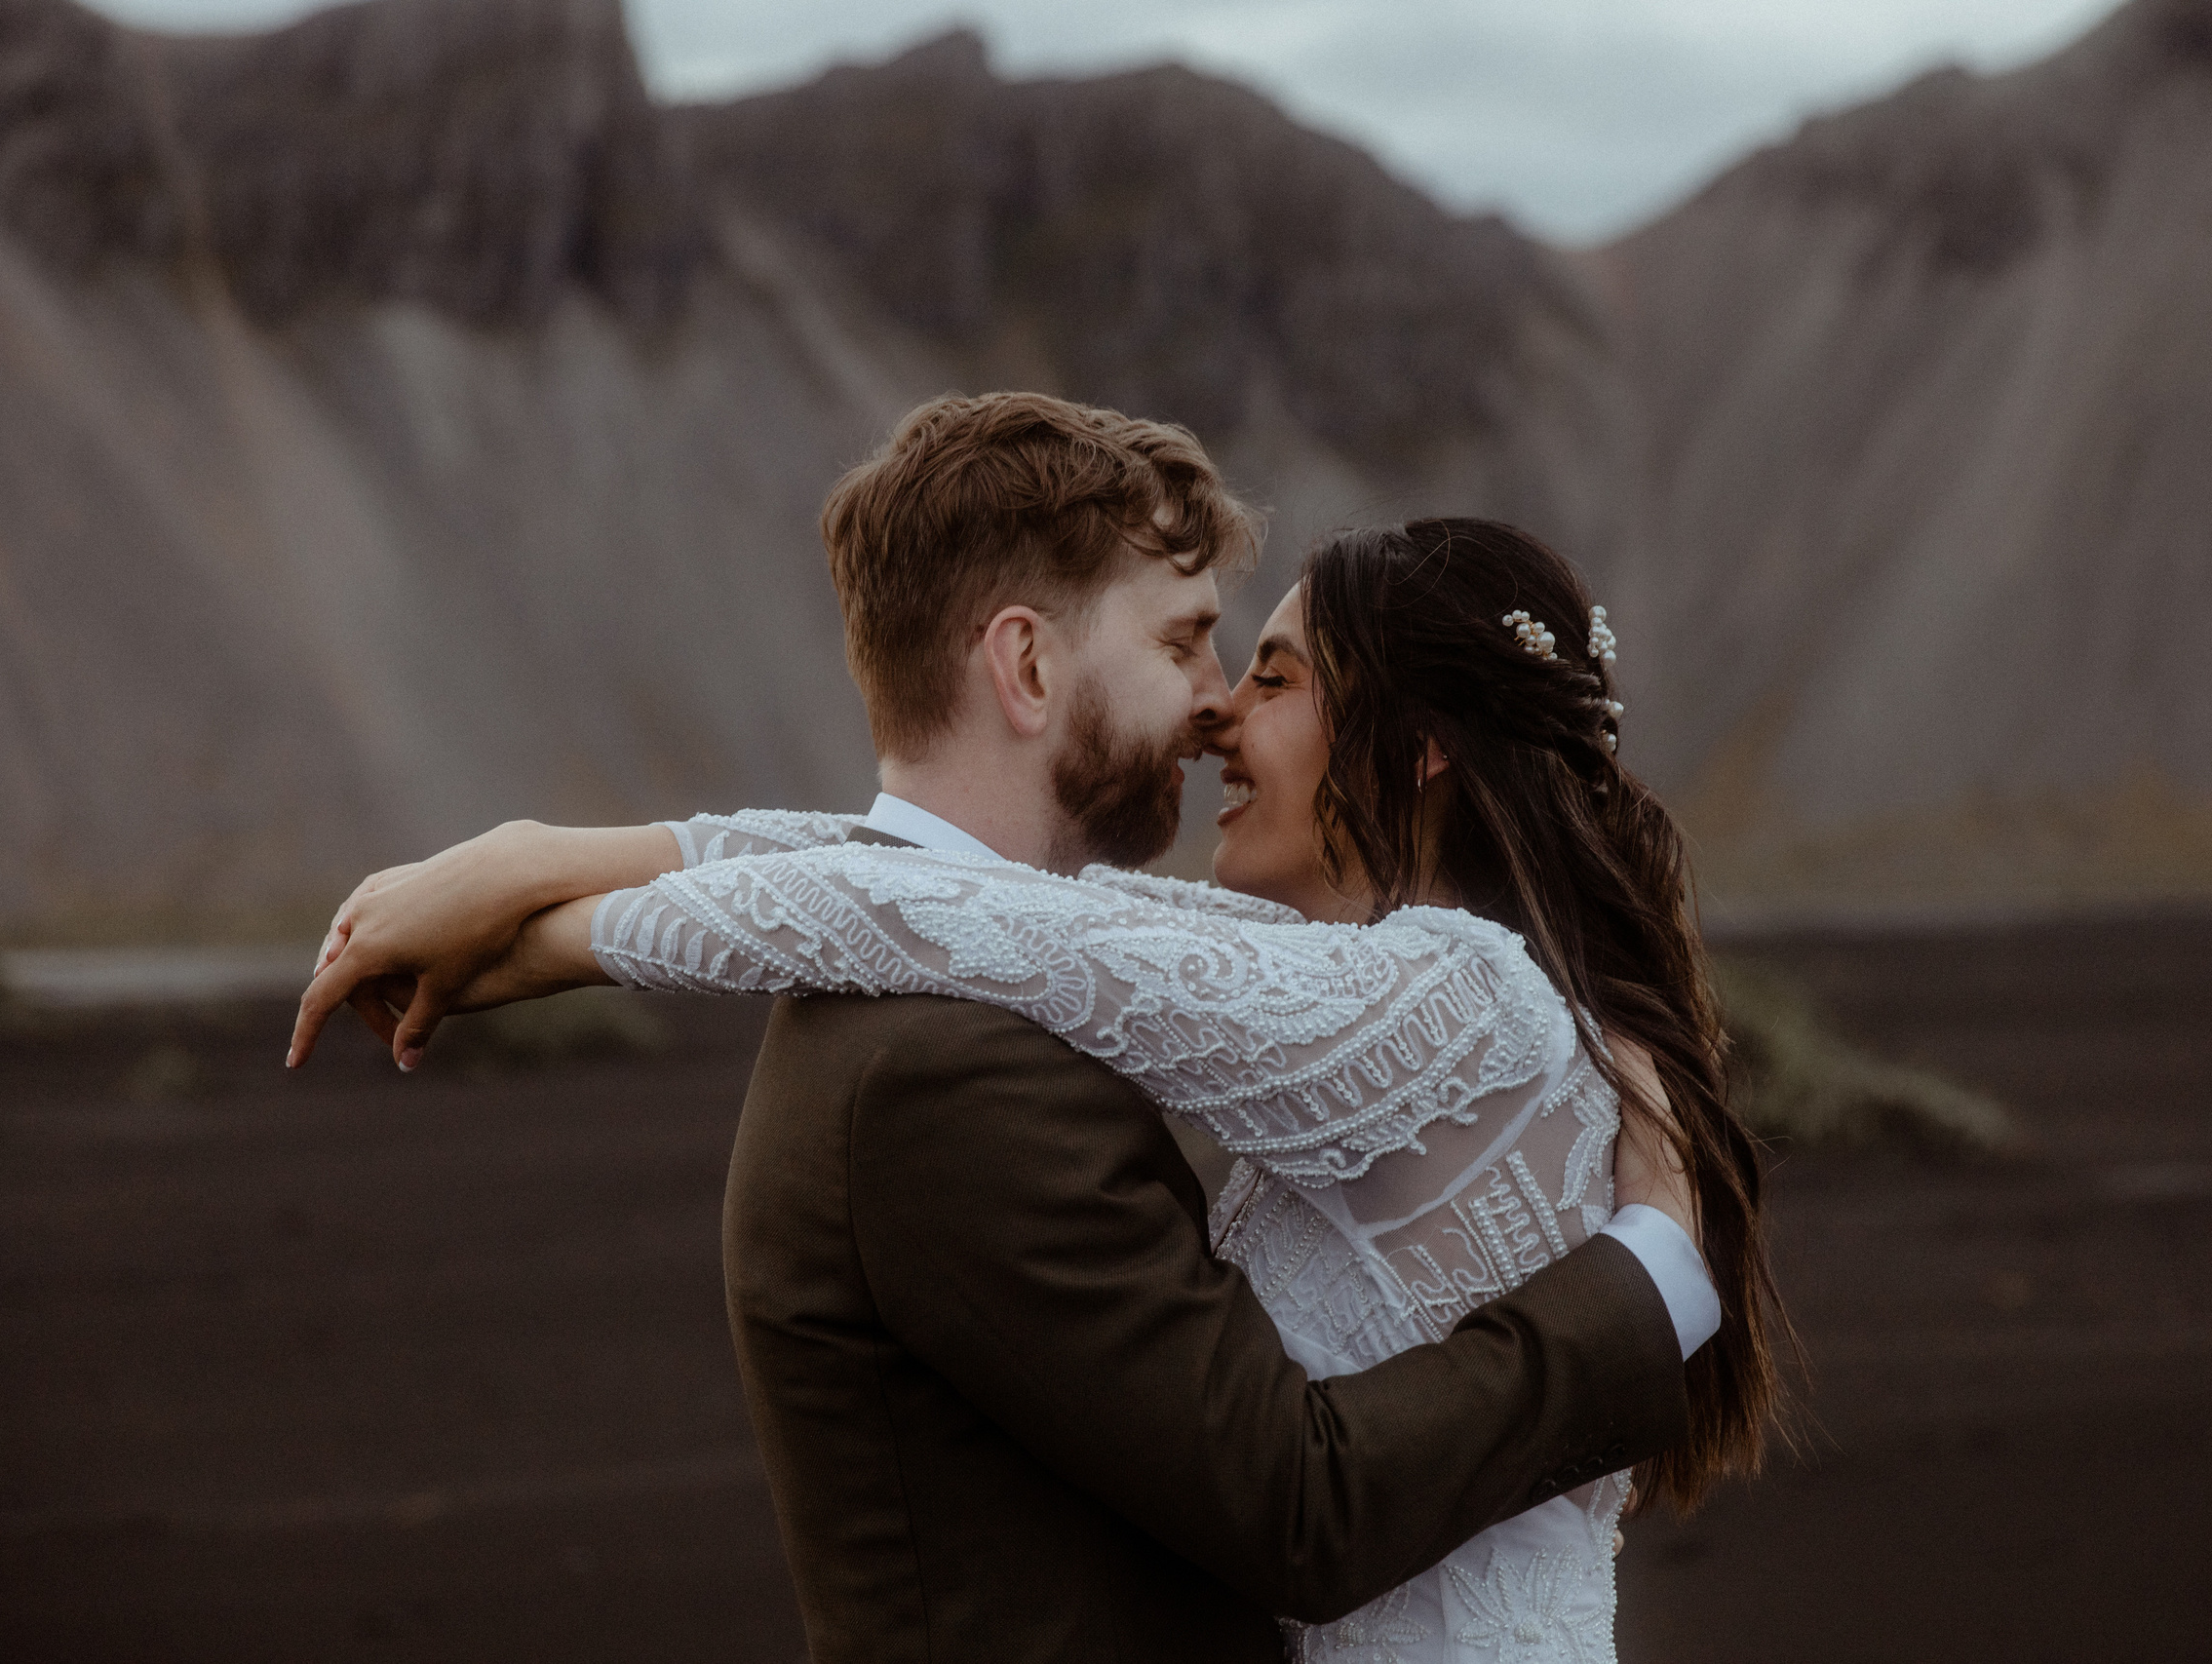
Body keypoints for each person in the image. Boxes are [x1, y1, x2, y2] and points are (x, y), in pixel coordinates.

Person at [293, 395, 1768, 1662]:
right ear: (1027, 665)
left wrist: (548, 895)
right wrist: (1650, 1285)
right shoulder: (943, 1060)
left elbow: (954, 912)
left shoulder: (1424, 993)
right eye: (1197, 644)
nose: (1212, 710)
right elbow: (951, 912)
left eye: (1260, 667)